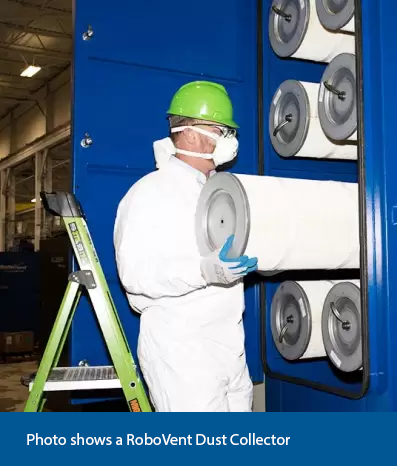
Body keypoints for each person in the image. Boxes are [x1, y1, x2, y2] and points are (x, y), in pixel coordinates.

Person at [113, 80, 258, 412]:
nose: (229, 140)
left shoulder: (219, 192)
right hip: (182, 353)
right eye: (220, 130)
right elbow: (136, 276)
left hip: (230, 347)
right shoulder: (149, 193)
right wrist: (205, 270)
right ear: (190, 134)